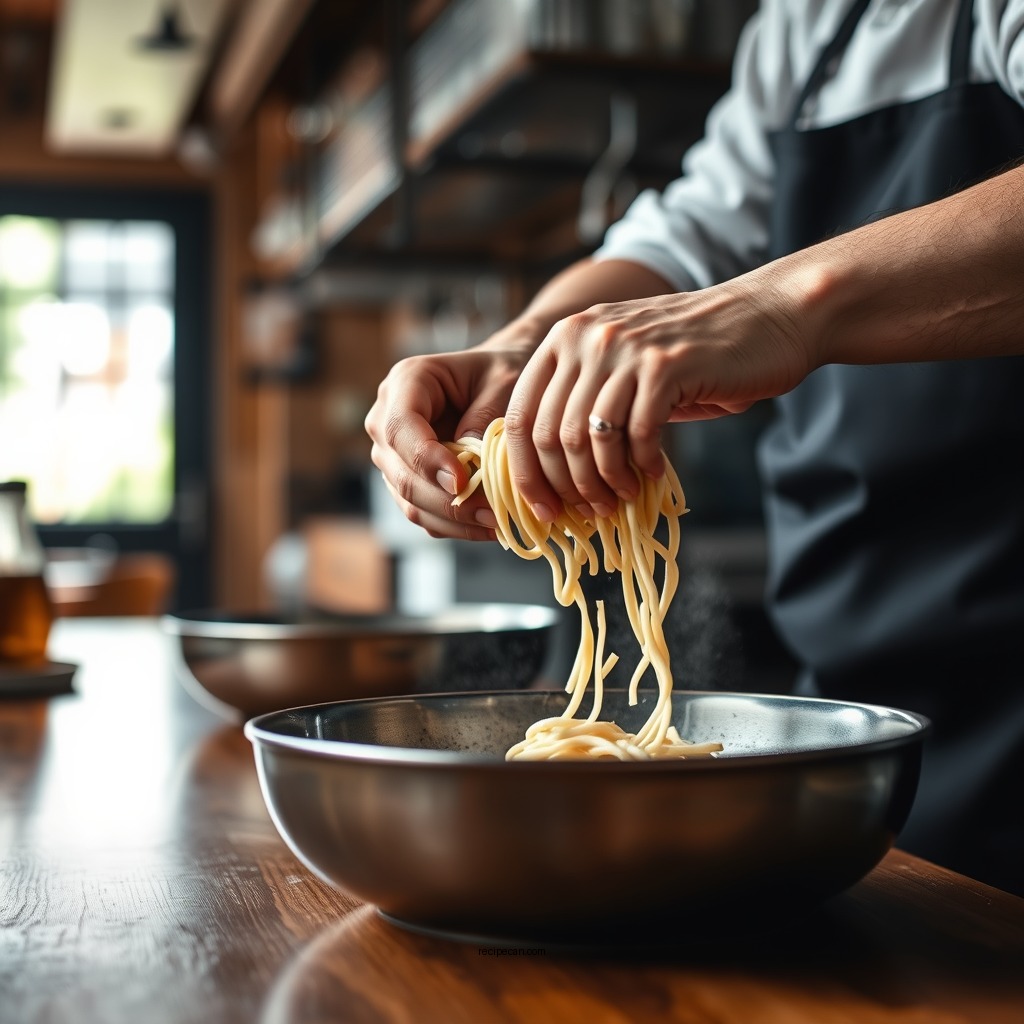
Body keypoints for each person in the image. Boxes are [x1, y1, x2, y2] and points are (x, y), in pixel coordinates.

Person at [365, 0, 1024, 895]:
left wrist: (782, 305)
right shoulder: (804, 29)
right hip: (857, 680)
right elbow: (690, 233)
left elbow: (743, 288)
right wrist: (520, 351)